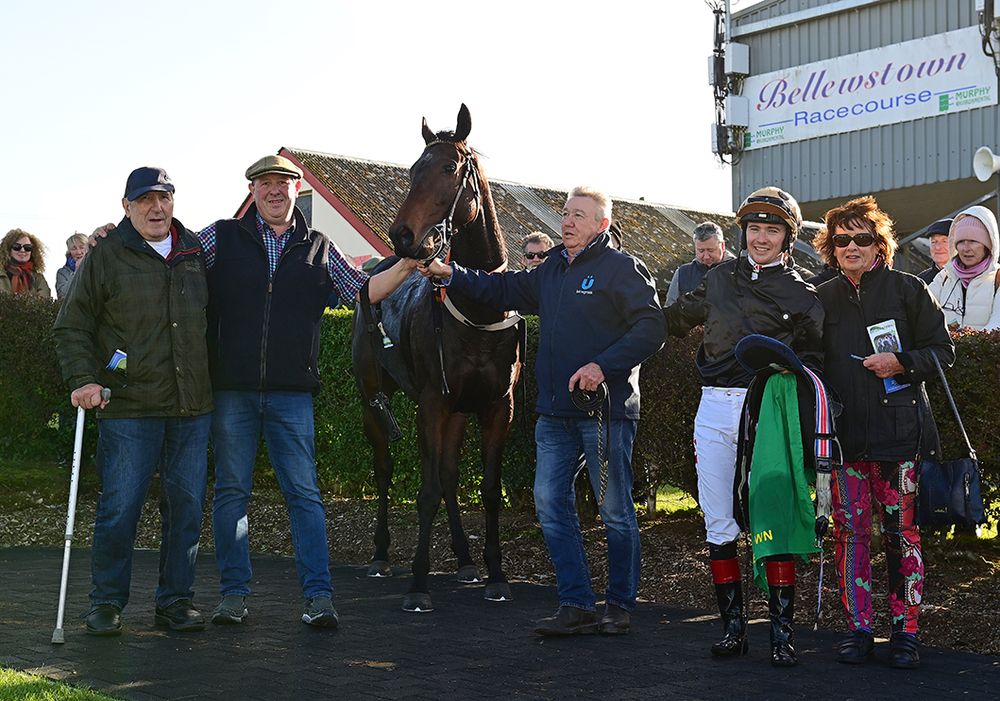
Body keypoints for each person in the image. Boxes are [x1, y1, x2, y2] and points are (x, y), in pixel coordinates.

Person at [419, 185, 665, 636]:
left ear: (602, 225)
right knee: (550, 505)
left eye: (578, 215)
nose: (567, 221)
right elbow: (501, 288)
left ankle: (618, 605)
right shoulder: (550, 268)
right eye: (565, 213)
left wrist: (602, 366)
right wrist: (448, 272)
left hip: (605, 413)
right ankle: (576, 604)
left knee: (614, 511)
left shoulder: (622, 269)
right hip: (554, 414)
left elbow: (652, 327)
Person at [201, 155, 415, 628]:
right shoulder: (222, 236)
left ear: (298, 189)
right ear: (252, 191)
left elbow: (363, 290)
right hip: (232, 391)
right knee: (231, 494)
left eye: (283, 182)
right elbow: (176, 262)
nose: (274, 190)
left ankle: (319, 598)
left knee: (304, 495)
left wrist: (409, 265)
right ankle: (233, 596)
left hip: (292, 394)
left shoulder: (319, 246)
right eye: (265, 183)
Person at [663, 186, 825, 666]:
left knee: (771, 519)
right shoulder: (717, 279)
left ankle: (781, 635)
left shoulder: (804, 295)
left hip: (768, 413)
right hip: (713, 408)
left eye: (772, 230)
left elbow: (816, 366)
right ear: (743, 232)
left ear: (787, 237)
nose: (761, 238)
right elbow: (670, 320)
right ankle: (733, 630)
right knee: (718, 522)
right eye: (754, 228)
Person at [52, 167, 213, 636]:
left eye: (164, 197)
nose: (156, 208)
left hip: (191, 407)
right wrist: (83, 379)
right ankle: (105, 603)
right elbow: (71, 325)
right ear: (126, 206)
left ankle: (176, 601)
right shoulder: (106, 254)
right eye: (144, 200)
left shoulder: (195, 251)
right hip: (128, 406)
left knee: (186, 509)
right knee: (120, 509)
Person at [813, 195, 954, 670]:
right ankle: (858, 630)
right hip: (844, 440)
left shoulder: (909, 289)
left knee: (902, 536)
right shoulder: (820, 297)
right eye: (842, 239)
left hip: (900, 438)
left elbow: (943, 351)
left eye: (862, 237)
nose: (852, 246)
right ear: (831, 247)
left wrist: (902, 362)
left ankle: (905, 632)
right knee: (850, 536)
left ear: (880, 244)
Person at [927, 208, 1000, 331]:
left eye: (973, 241)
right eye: (961, 242)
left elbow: (997, 324)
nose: (966, 248)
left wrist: (965, 339)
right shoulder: (945, 276)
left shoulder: (997, 278)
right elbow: (919, 309)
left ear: (988, 245)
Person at [665, 221, 734, 304]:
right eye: (701, 251)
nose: (706, 256)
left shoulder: (739, 271)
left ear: (722, 246)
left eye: (710, 250)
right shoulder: (682, 273)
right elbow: (670, 306)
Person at [1, 229, 50, 298]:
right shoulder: (1, 274)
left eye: (27, 247)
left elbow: (43, 300)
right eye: (17, 247)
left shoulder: (38, 279)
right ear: (8, 250)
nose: (22, 250)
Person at [917, 218, 953, 286]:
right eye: (934, 242)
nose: (938, 247)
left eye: (944, 241)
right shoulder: (921, 281)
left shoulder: (967, 277)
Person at [55, 232, 88, 299]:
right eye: (74, 249)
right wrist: (77, 271)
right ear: (69, 251)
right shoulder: (62, 273)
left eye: (82, 247)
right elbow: (62, 294)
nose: (78, 252)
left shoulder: (97, 267)